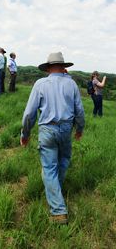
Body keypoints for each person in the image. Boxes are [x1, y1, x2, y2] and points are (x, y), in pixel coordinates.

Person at [20, 52, 85, 225]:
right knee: (63, 160)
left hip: (47, 129)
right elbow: (79, 110)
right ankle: (56, 191)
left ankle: (58, 212)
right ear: (64, 67)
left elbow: (29, 114)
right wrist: (79, 129)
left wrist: (25, 134)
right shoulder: (72, 84)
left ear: (48, 67)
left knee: (49, 168)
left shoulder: (40, 84)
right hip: (66, 128)